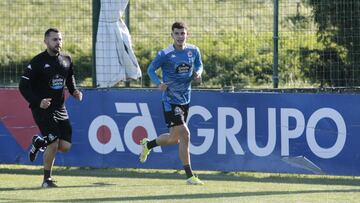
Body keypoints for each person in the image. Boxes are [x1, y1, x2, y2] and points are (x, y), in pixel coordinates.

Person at [140, 21, 204, 185]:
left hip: (185, 99)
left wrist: (198, 73)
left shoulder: (193, 50)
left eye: (183, 33)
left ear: (187, 34)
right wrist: (158, 82)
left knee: (174, 139)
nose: (180, 37)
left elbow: (199, 64)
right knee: (186, 134)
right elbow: (150, 70)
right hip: (170, 100)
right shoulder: (165, 54)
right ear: (172, 35)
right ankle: (190, 176)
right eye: (177, 33)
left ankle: (148, 144)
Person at [19, 28, 83, 188]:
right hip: (42, 108)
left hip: (60, 108)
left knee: (65, 146)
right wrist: (38, 101)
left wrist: (74, 90)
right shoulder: (37, 62)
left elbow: (70, 77)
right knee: (53, 142)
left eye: (60, 39)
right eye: (54, 40)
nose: (58, 43)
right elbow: (23, 86)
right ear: (46, 41)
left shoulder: (66, 59)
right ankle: (46, 180)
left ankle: (39, 142)